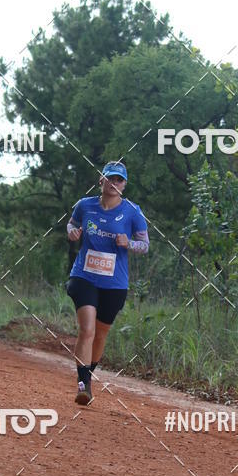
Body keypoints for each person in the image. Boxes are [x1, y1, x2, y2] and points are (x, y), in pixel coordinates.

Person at [66, 161, 149, 405]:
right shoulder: (85, 205)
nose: (114, 184)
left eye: (119, 180)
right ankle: (82, 386)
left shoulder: (133, 211)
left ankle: (87, 380)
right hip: (84, 277)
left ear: (124, 184)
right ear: (101, 180)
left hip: (115, 284)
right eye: (110, 178)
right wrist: (71, 231)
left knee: (101, 335)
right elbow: (72, 223)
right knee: (87, 330)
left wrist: (129, 244)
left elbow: (145, 245)